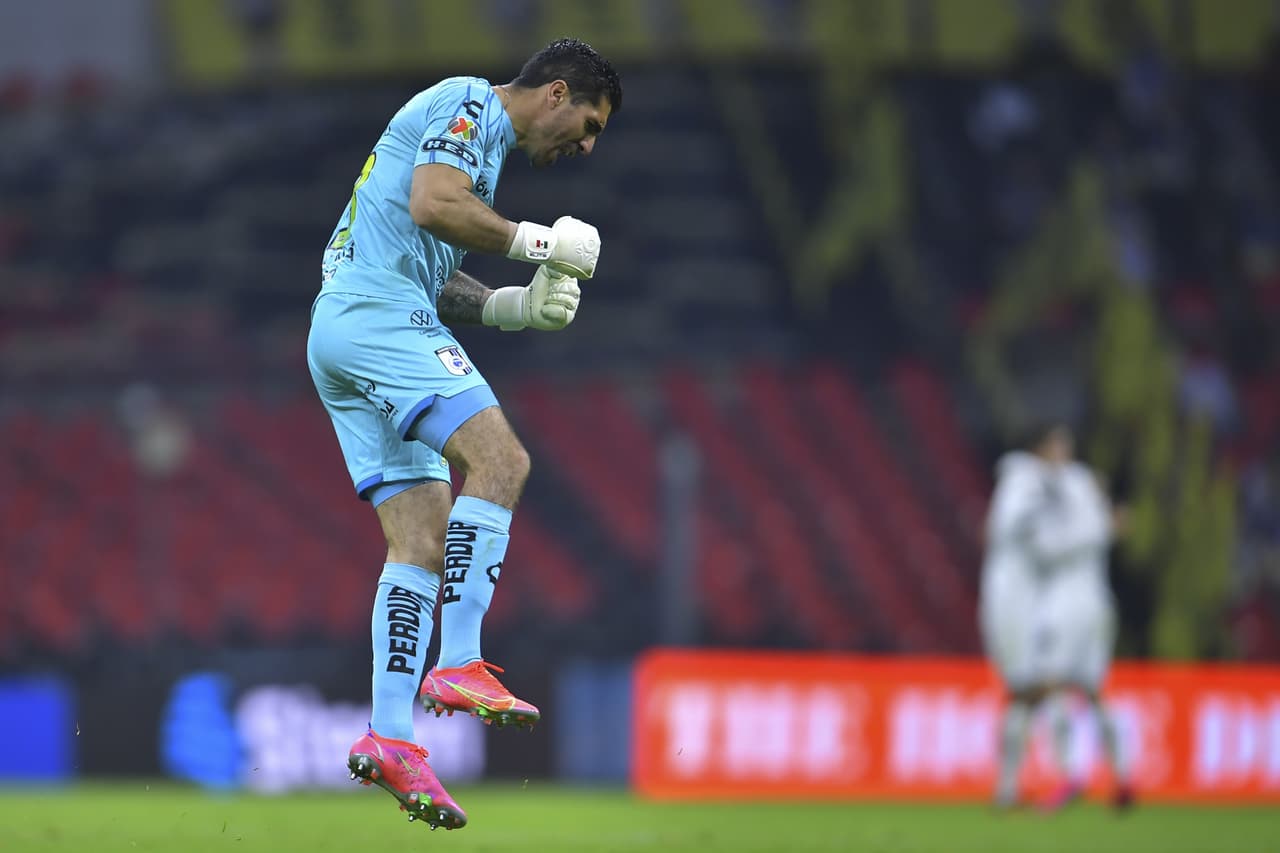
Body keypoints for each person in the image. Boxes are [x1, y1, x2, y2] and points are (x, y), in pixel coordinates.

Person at [306, 38, 621, 830]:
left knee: (418, 534)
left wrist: (513, 305)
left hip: (352, 324)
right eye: (588, 123)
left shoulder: (477, 153)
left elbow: (433, 266)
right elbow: (433, 206)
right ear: (554, 93)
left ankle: (391, 736)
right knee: (501, 458)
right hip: (375, 314)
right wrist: (539, 243)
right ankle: (459, 662)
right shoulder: (467, 103)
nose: (585, 144)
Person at [979, 423, 1132, 810]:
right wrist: (1103, 527)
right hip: (1069, 602)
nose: (1065, 451)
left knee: (1047, 689)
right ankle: (1110, 779)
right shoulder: (1035, 482)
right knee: (1077, 690)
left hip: (1064, 603)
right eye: (1059, 443)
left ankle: (1067, 778)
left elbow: (1043, 545)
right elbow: (1038, 539)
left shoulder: (1064, 488)